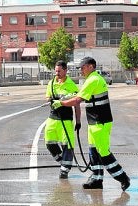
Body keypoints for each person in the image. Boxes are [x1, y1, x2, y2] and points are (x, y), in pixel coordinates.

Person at [53, 56, 130, 191]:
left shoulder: (93, 80)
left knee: (103, 152)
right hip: (94, 122)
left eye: (82, 67)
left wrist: (61, 103)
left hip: (100, 122)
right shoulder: (91, 79)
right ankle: (96, 179)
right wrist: (66, 97)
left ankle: (122, 177)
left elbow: (78, 100)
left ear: (91, 66)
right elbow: (79, 95)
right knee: (93, 151)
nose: (81, 70)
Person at [44, 61, 81, 179]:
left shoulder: (71, 85)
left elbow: (77, 104)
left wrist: (78, 121)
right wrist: (50, 100)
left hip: (65, 120)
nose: (57, 73)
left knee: (67, 145)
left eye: (59, 71)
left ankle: (65, 170)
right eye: (55, 71)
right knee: (49, 142)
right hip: (53, 118)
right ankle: (63, 161)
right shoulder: (51, 83)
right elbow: (47, 97)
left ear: (65, 71)